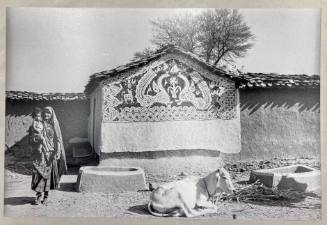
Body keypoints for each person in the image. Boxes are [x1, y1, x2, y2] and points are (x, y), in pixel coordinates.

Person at [30, 106, 67, 205]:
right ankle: (38, 196)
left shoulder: (54, 125)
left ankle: (46, 196)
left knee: (48, 175)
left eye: (48, 113)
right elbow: (33, 137)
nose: (46, 115)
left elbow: (58, 140)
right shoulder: (39, 124)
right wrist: (36, 141)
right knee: (39, 174)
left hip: (51, 153)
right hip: (40, 153)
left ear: (52, 115)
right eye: (45, 113)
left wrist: (58, 151)